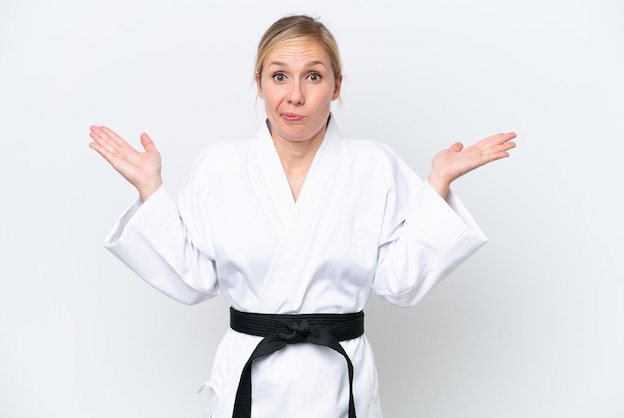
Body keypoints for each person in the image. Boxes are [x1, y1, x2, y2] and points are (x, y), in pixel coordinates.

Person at [89, 14, 516, 418]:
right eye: (279, 76)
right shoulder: (219, 166)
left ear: (336, 85)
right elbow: (193, 279)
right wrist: (150, 187)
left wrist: (438, 180)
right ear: (258, 84)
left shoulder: (374, 166)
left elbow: (400, 285)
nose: (295, 95)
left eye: (313, 75)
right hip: (250, 381)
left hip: (336, 382)